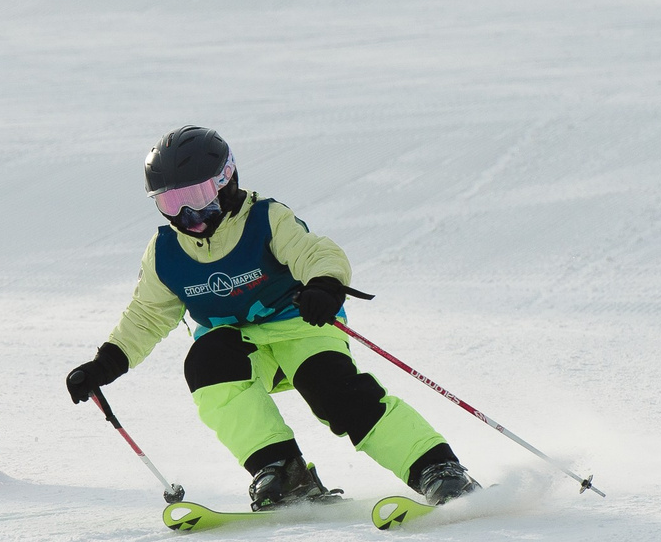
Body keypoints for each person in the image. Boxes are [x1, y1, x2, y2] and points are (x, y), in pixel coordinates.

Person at [65, 126, 480, 511]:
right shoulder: (167, 253)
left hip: (300, 329)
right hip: (239, 348)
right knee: (204, 361)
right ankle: (283, 470)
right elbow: (146, 316)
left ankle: (436, 468)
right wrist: (106, 363)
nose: (187, 215)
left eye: (198, 196)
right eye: (170, 203)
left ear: (228, 181)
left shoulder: (265, 219)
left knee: (334, 392)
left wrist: (324, 285)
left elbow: (316, 252)